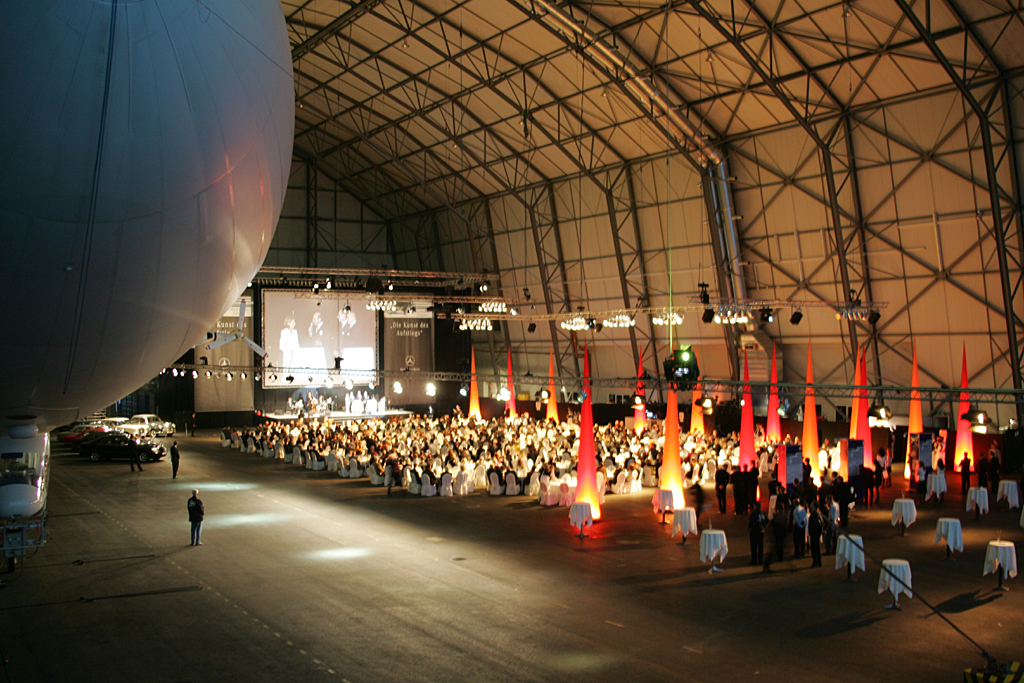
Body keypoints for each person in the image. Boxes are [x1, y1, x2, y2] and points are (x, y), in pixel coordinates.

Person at [748, 501, 766, 566]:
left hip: (754, 532)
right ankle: (760, 560)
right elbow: (766, 521)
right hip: (761, 532)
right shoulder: (763, 513)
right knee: (761, 546)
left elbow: (751, 523)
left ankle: (754, 560)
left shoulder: (753, 514)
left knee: (754, 547)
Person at [808, 502, 824, 567]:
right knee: (817, 547)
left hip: (814, 533)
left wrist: (814, 531)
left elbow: (817, 524)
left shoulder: (814, 514)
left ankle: (816, 562)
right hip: (816, 533)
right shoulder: (818, 513)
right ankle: (819, 562)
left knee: (814, 548)